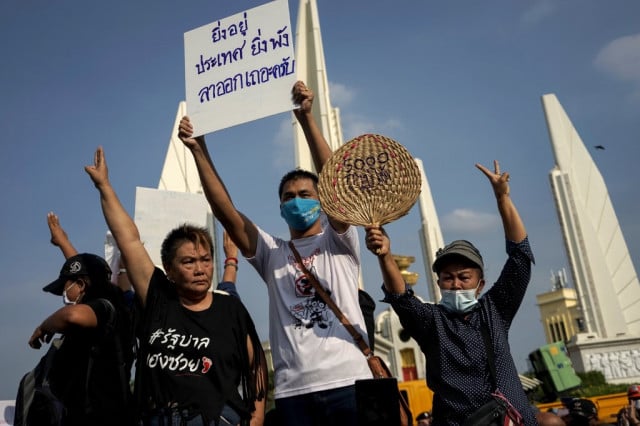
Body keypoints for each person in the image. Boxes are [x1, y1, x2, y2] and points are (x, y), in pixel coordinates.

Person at [177, 80, 372, 426]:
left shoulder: (339, 241)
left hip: (350, 383)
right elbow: (228, 213)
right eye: (288, 196)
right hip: (294, 393)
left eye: (306, 193)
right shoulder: (272, 253)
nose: (297, 200)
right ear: (280, 208)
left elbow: (338, 185)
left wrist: (306, 119)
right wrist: (198, 151)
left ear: (323, 201)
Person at [85, 147, 267, 426]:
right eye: (189, 261)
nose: (200, 269)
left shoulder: (230, 309)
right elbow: (129, 241)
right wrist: (105, 187)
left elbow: (256, 367)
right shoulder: (158, 299)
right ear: (168, 268)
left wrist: (256, 420)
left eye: (206, 260)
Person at [364, 160, 536, 426]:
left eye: (464, 277)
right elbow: (402, 299)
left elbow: (520, 259)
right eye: (448, 278)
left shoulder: (495, 310)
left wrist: (502, 198)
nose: (455, 284)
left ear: (481, 284)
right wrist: (385, 255)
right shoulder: (431, 321)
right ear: (439, 283)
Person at [28, 252, 135, 425]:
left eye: (65, 287)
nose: (64, 294)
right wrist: (62, 241)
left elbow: (72, 315)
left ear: (80, 285)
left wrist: (44, 327)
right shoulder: (117, 307)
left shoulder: (105, 307)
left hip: (99, 417)